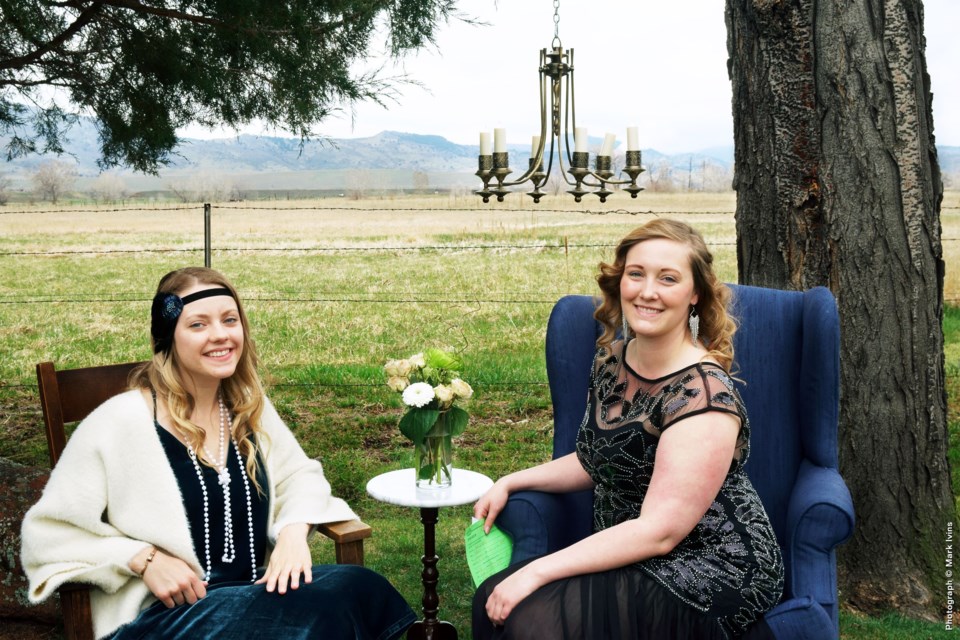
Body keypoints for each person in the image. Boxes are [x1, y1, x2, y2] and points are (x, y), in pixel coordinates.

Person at [22, 267, 415, 640]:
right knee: (315, 614)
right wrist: (143, 558)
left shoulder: (246, 406)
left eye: (230, 320)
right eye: (198, 324)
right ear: (168, 337)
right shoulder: (120, 421)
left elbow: (300, 476)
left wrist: (295, 533)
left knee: (359, 584)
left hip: (255, 598)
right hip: (166, 617)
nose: (220, 335)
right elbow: (47, 535)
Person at [472, 219, 784, 639]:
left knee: (531, 621)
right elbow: (594, 459)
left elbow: (660, 532)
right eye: (636, 274)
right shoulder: (614, 360)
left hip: (710, 565)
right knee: (489, 599)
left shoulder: (703, 397)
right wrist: (510, 481)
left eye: (668, 278)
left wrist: (537, 572)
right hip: (634, 549)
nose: (647, 291)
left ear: (694, 295)